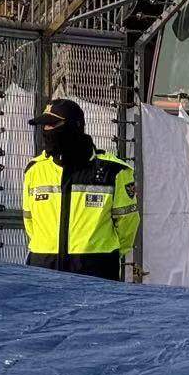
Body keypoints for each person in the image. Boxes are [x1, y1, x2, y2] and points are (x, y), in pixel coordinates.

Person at [21, 98, 138, 281]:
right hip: (42, 269)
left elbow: (128, 226)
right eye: (44, 126)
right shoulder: (34, 170)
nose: (46, 131)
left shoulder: (113, 171)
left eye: (53, 124)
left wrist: (103, 257)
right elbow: (30, 223)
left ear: (74, 126)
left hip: (95, 272)